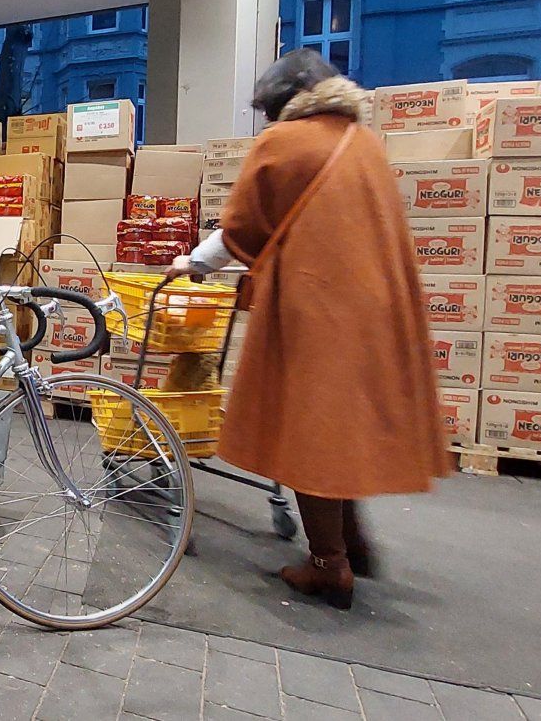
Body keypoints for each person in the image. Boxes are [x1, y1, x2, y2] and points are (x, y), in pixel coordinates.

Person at [167, 48, 444, 610]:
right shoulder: (365, 144)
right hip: (380, 308)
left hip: (317, 309)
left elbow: (244, 227)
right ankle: (354, 543)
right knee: (343, 428)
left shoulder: (284, 142)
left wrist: (192, 264)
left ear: (281, 102)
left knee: (309, 429)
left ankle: (328, 564)